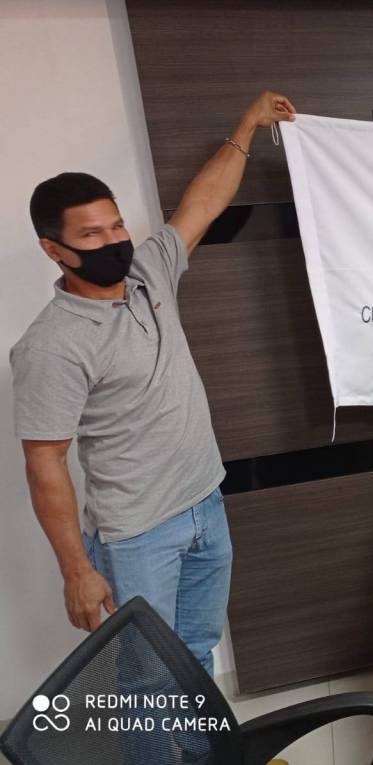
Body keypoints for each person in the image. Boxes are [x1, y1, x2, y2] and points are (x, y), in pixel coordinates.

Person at [11, 91, 296, 673]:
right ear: (53, 249)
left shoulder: (149, 272)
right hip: (137, 536)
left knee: (196, 654)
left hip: (205, 502)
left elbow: (204, 202)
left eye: (116, 224)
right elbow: (45, 462)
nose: (114, 240)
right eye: (92, 235)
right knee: (147, 677)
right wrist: (77, 571)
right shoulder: (51, 344)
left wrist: (247, 124)